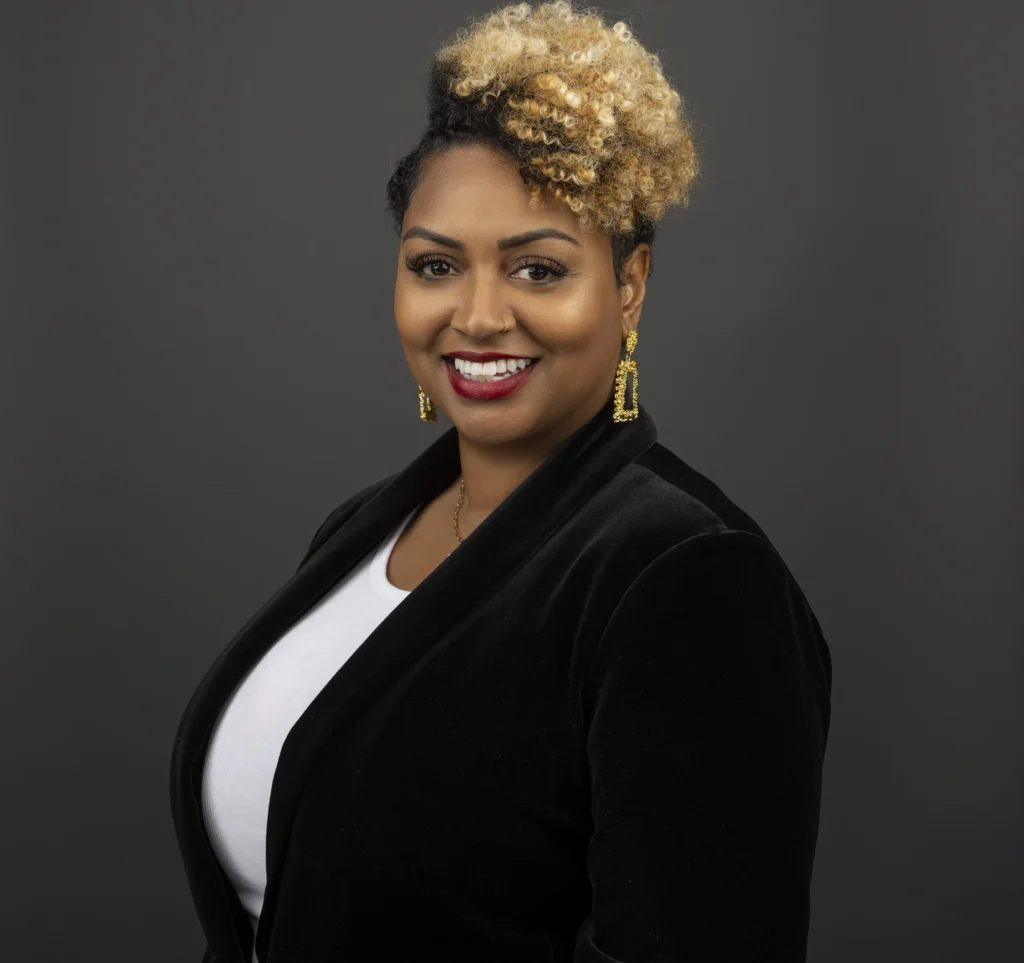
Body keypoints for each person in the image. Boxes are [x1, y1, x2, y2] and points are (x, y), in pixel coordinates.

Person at [169, 3, 833, 962]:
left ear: (630, 284)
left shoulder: (686, 576)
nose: (478, 315)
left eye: (537, 269)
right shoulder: (362, 527)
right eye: (436, 265)